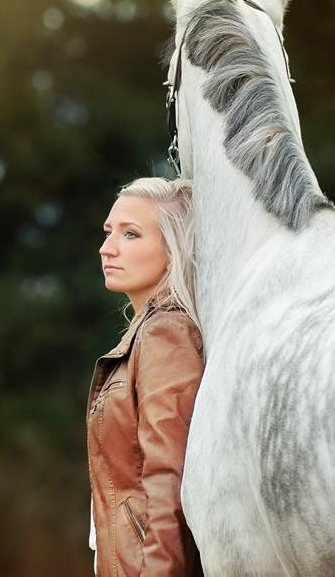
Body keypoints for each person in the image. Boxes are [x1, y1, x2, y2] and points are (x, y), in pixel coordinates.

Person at [87, 177, 204, 576]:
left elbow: (168, 483)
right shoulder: (145, 335)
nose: (108, 248)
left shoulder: (165, 334)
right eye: (109, 232)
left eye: (131, 234)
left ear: (173, 251)